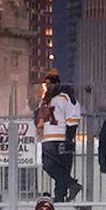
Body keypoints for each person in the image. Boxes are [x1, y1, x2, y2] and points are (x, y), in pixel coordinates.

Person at [35, 71, 82, 203]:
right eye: (47, 84)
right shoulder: (45, 101)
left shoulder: (65, 98)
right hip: (47, 138)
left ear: (57, 84)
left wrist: (69, 137)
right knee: (51, 166)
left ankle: (60, 196)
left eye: (50, 84)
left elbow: (73, 118)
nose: (48, 87)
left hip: (61, 137)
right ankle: (71, 184)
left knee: (61, 167)